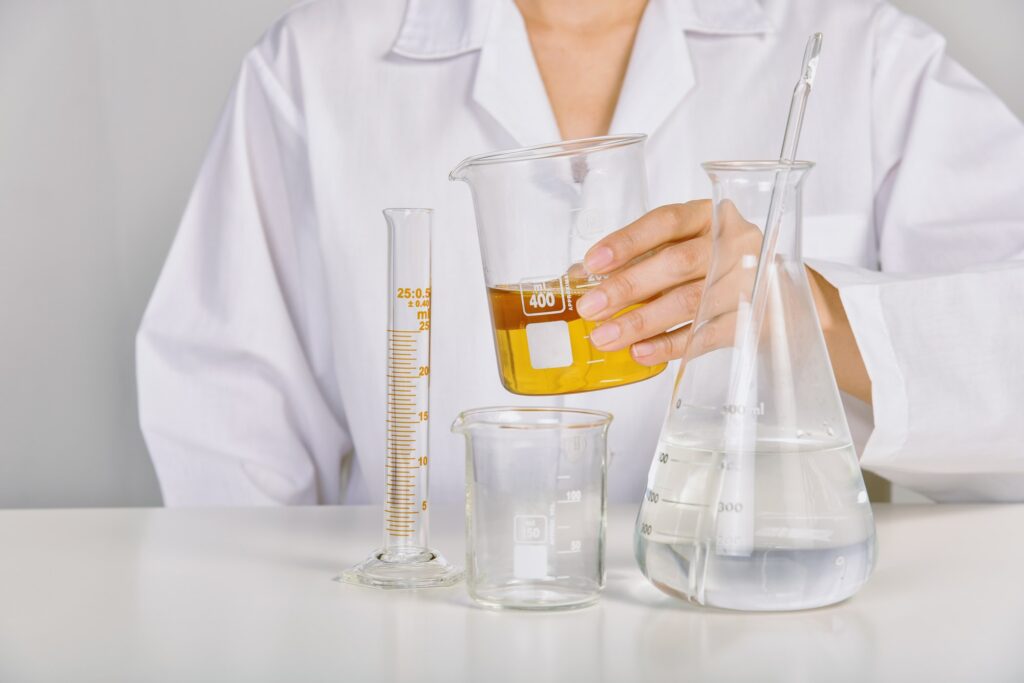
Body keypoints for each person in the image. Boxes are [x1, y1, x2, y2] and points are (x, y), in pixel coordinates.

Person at [137, 0, 1024, 506]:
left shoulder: (856, 52)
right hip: (428, 647)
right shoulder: (313, 72)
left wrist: (827, 317)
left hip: (769, 637)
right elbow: (224, 438)